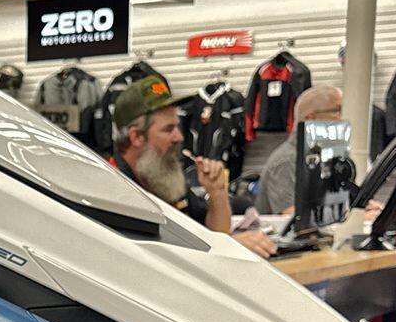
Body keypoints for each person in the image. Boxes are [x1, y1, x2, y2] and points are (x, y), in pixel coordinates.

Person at [109, 78, 276, 258]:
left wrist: (217, 192)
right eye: (168, 129)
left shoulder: (162, 175)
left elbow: (213, 233)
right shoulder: (112, 191)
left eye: (177, 126)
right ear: (136, 137)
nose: (179, 137)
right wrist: (227, 247)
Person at [253, 85, 344, 216]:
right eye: (338, 110)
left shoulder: (321, 156)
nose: (344, 117)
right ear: (310, 119)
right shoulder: (287, 161)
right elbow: (293, 215)